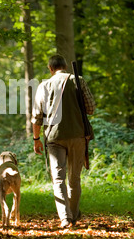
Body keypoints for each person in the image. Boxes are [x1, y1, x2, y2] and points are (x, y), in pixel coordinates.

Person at [31, 55, 96, 228]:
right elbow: (91, 109)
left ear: (50, 68)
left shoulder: (44, 85)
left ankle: (65, 219)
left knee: (58, 179)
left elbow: (36, 117)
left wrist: (36, 139)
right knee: (74, 180)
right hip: (78, 136)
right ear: (65, 66)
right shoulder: (78, 80)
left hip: (54, 138)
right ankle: (73, 216)